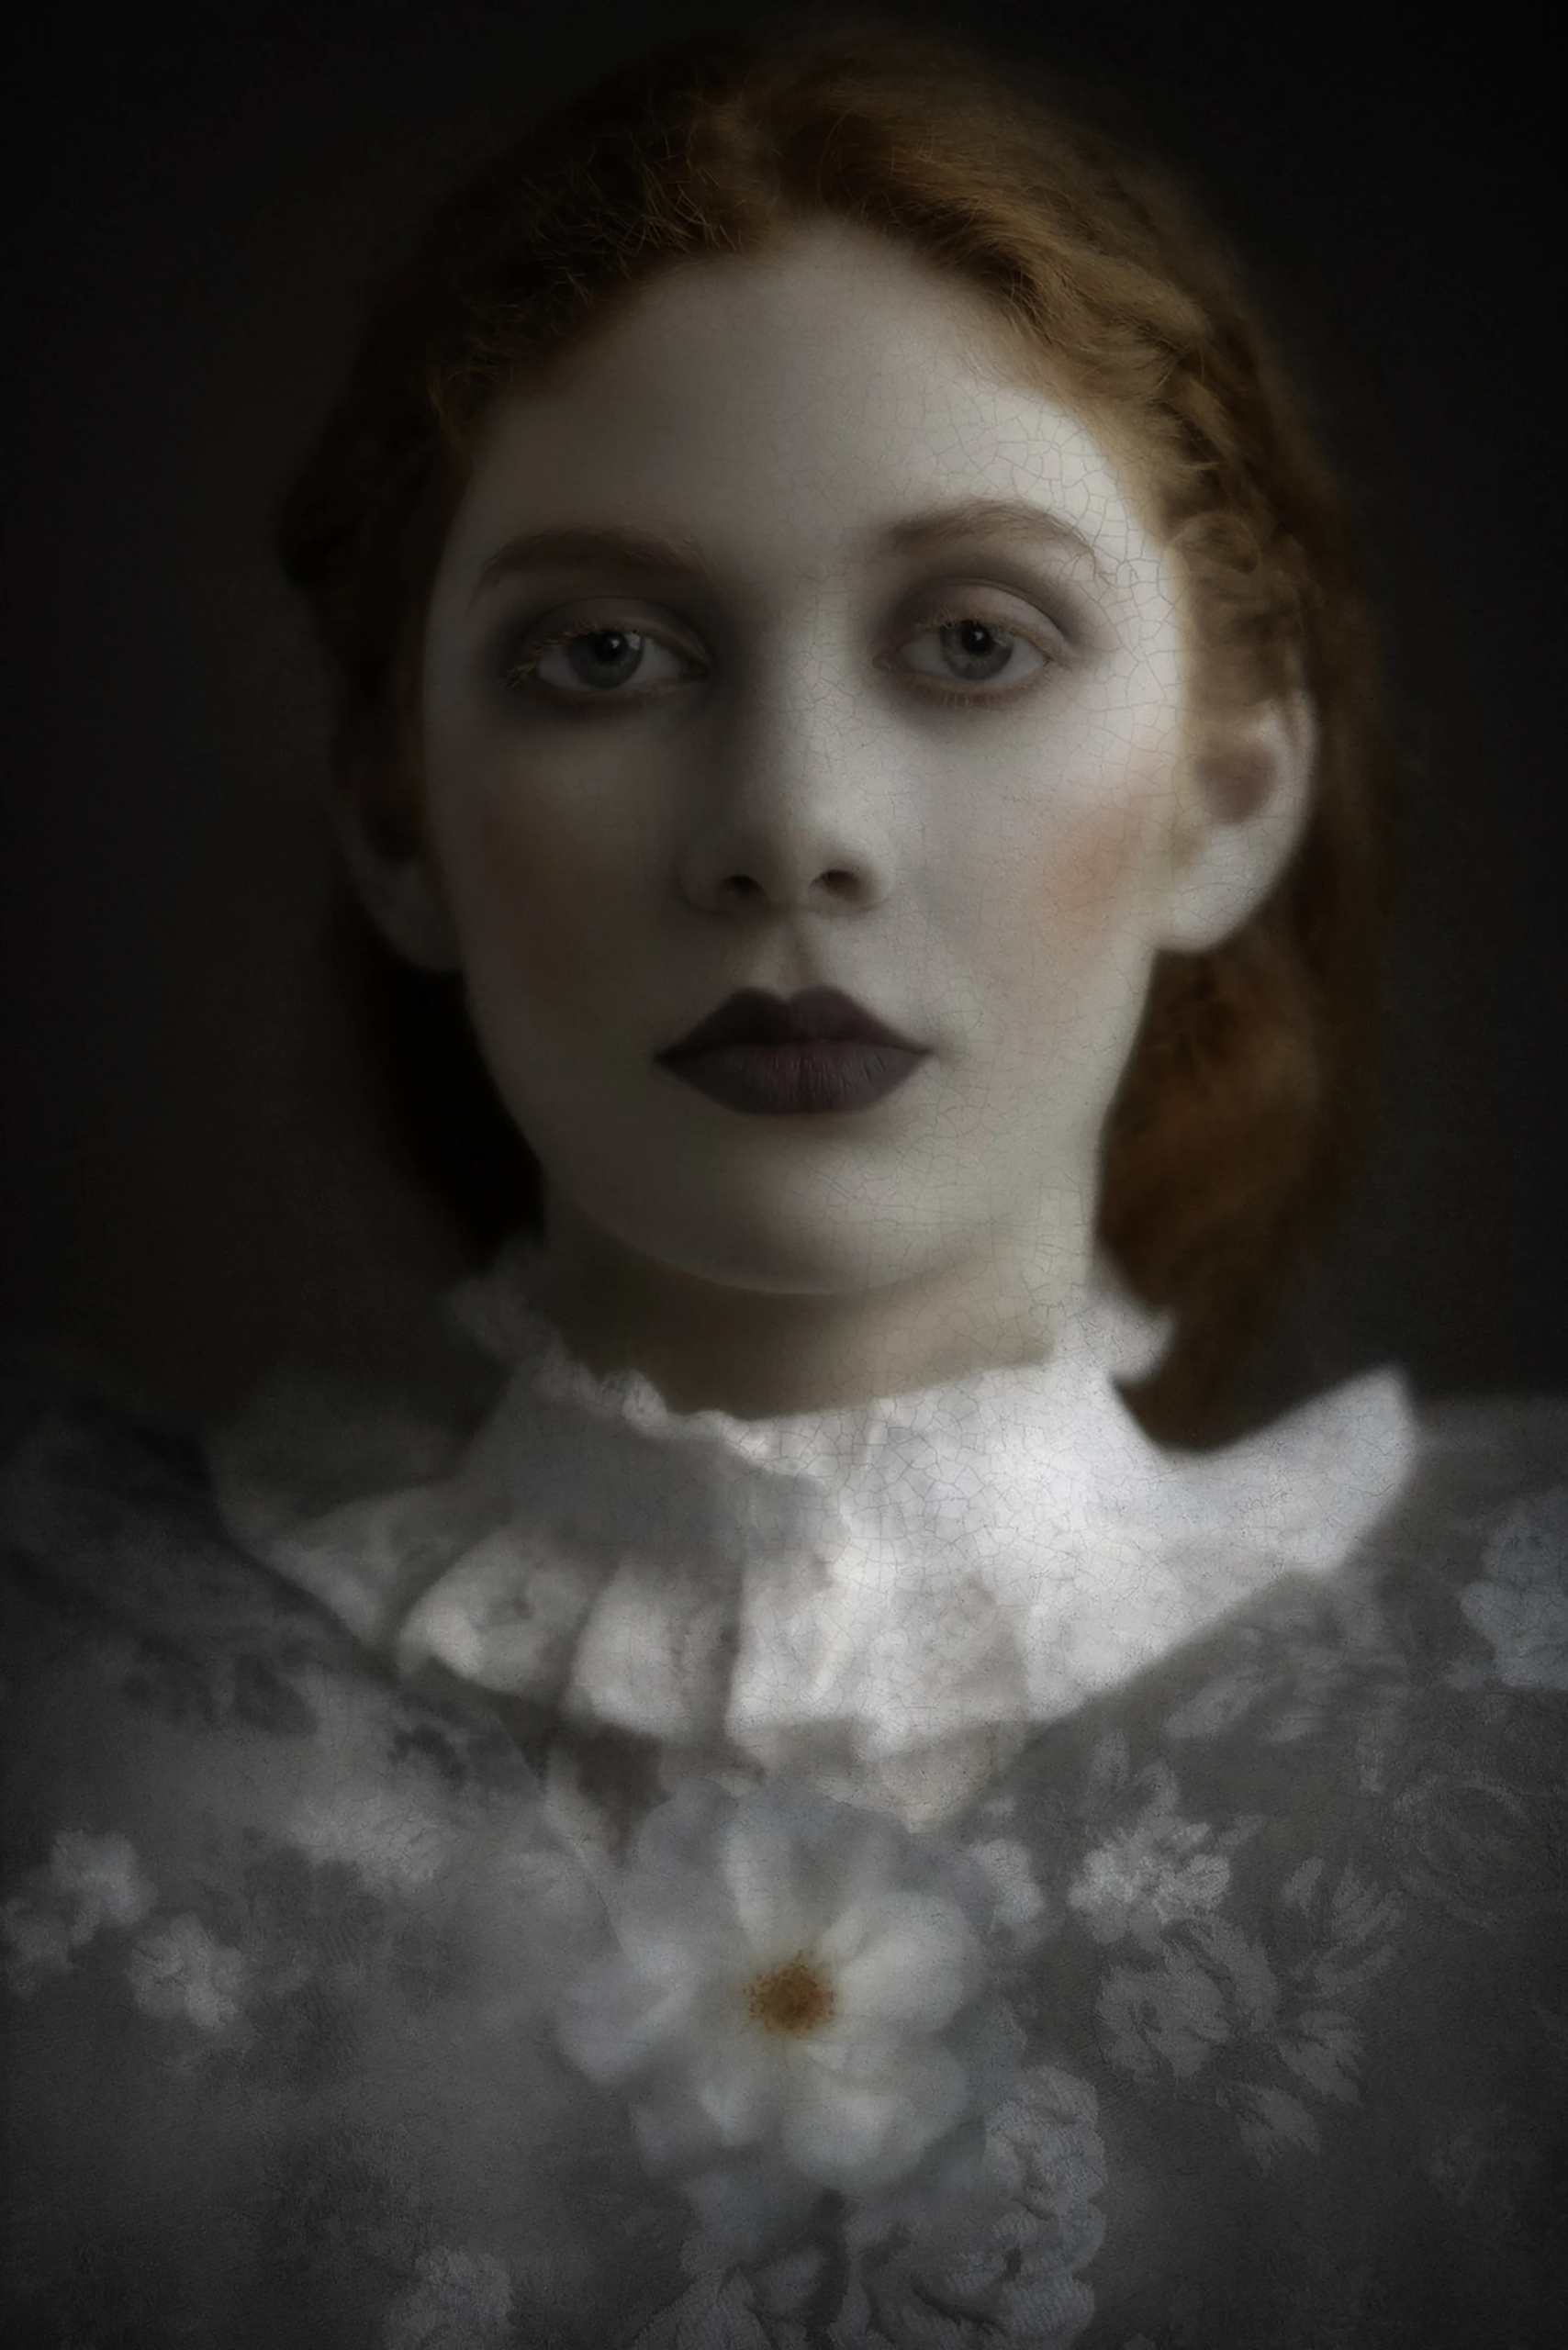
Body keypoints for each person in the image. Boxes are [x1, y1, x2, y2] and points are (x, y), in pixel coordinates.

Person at [3, 16, 1564, 2347]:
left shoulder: (1519, 1731)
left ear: (1227, 793)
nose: (788, 826)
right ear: (398, 814)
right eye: (606, 652)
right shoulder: (59, 1712)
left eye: (973, 641)